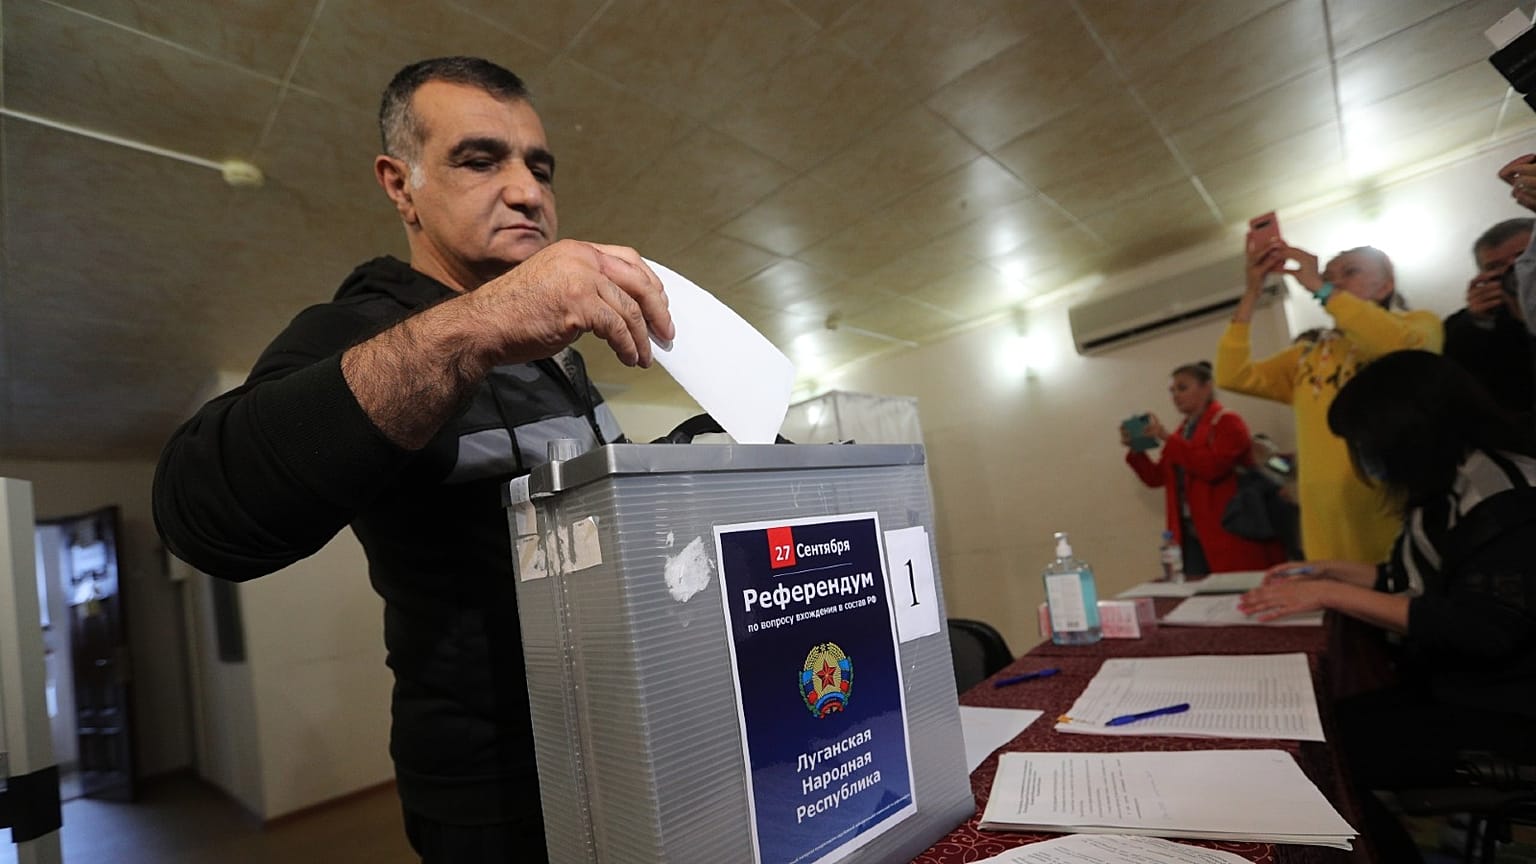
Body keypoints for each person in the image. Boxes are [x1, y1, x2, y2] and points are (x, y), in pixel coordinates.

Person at [152, 57, 676, 863]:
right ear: (401, 184)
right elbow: (200, 515)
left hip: (619, 742)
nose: (529, 191)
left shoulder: (557, 358)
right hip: (490, 793)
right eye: (480, 158)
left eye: (540, 166)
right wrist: (478, 326)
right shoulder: (354, 330)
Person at [1238, 350, 1536, 862]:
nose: (1365, 460)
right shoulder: (1449, 486)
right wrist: (1325, 571)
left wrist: (1328, 593)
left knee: (1319, 758)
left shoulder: (1505, 496)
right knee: (1317, 725)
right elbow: (1414, 578)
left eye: (1365, 445)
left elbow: (1480, 627)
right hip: (1455, 686)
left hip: (1506, 709)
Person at [1217, 238, 1442, 563]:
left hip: (1391, 516)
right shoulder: (1311, 353)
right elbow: (1232, 375)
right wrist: (1253, 291)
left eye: (1348, 272)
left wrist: (1321, 289)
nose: (1333, 281)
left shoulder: (1419, 324)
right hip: (1323, 526)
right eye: (1327, 275)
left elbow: (1401, 352)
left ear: (1386, 285)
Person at [1120, 361, 1286, 575]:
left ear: (1206, 387)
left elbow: (1211, 468)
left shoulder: (1227, 422)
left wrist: (1165, 437)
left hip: (1229, 528)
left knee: (1237, 594)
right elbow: (1156, 478)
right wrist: (1136, 448)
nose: (1176, 396)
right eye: (1172, 391)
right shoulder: (1182, 433)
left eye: (1182, 388)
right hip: (1189, 535)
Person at [1442, 217, 1535, 424]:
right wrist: (1479, 325)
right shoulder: (1465, 327)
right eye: (1496, 266)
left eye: (1523, 257)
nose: (1515, 272)